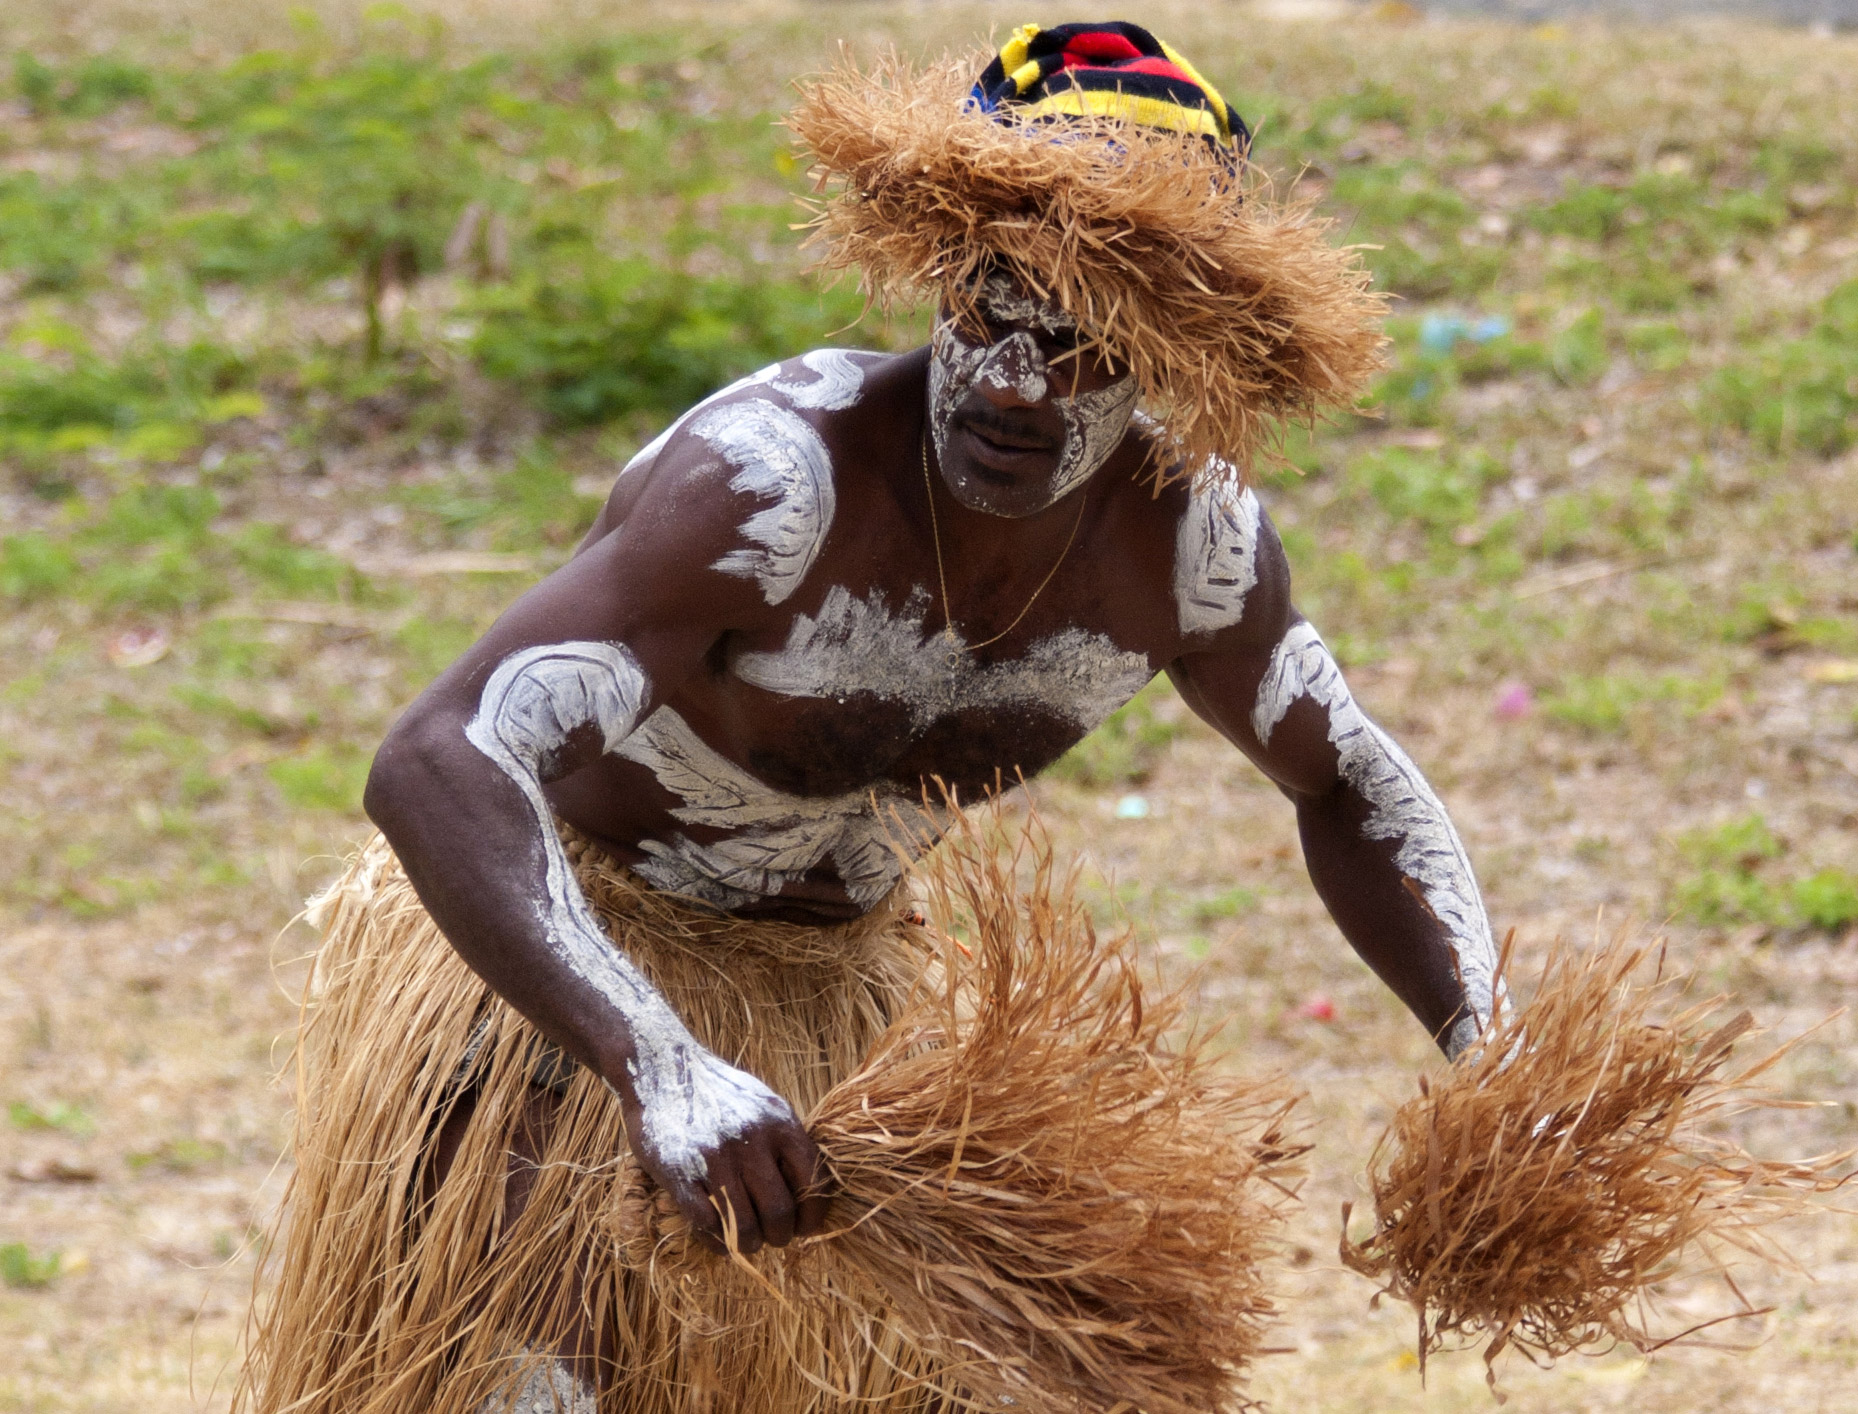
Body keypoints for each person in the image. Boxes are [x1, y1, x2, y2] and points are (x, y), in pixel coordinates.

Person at [239, 22, 1496, 1414]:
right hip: (559, 988)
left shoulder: (1184, 553)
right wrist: (655, 1064)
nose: (1014, 379)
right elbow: (436, 753)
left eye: (1077, 337)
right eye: (987, 304)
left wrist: (1488, 1048)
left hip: (834, 1022)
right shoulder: (777, 489)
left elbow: (1343, 780)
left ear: (1174, 349)